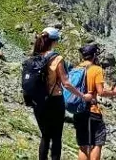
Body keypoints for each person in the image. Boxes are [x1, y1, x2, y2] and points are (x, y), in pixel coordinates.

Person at [31, 27, 93, 160]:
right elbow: (66, 83)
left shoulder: (35, 56)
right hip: (54, 101)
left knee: (45, 136)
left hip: (38, 102)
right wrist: (82, 96)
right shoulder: (56, 58)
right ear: (54, 41)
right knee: (56, 137)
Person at [74, 43, 116, 160]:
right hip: (92, 111)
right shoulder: (96, 69)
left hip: (78, 110)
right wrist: (114, 92)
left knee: (83, 145)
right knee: (97, 143)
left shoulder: (77, 68)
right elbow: (101, 92)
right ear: (94, 55)